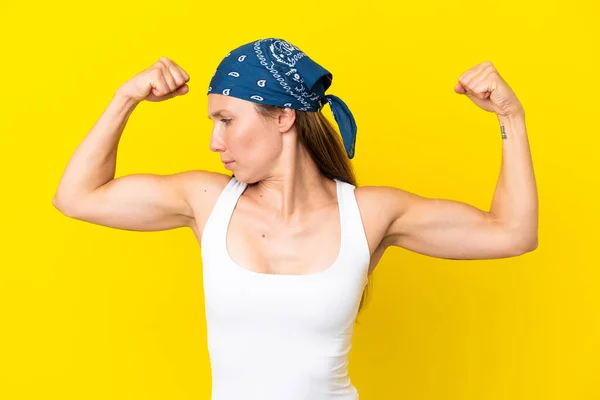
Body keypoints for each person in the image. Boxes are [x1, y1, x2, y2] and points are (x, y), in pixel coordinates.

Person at [53, 37, 538, 400]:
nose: (214, 142)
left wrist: (509, 116)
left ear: (283, 117)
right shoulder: (206, 200)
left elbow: (512, 232)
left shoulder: (367, 214)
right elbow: (77, 196)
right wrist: (126, 98)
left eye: (226, 119)